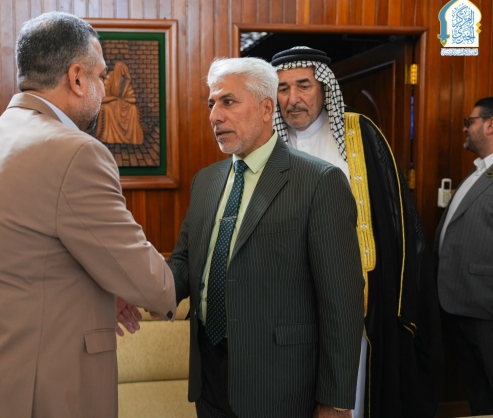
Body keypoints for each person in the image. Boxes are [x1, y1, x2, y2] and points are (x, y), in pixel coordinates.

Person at [0, 12, 176, 418]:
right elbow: (151, 282)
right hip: (43, 394)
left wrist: (104, 291)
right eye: (100, 76)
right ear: (76, 78)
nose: (103, 90)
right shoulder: (75, 153)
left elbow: (27, 263)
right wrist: (167, 290)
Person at [167, 57, 365, 417]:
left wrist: (335, 401)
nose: (214, 116)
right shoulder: (206, 181)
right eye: (211, 104)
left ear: (265, 108)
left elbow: (342, 303)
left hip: (280, 384)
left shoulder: (319, 182)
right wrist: (141, 289)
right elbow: (183, 261)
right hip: (209, 376)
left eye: (228, 102)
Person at [271, 46, 443, 418]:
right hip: (286, 300)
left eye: (303, 85)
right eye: (283, 88)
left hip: (354, 300)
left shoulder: (359, 134)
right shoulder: (268, 143)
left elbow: (393, 215)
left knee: (349, 394)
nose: (293, 98)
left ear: (324, 88)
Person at [435, 97, 493, 416]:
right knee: (478, 392)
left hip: (485, 307)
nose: (465, 128)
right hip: (460, 303)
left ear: (490, 125)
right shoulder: (478, 172)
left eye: (470, 122)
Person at [95, 60, 144, 144]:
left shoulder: (126, 82)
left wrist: (122, 100)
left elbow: (133, 99)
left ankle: (132, 138)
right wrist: (115, 98)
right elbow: (103, 98)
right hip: (112, 105)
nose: (123, 75)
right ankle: (111, 137)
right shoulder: (109, 78)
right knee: (107, 108)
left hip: (123, 105)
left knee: (133, 109)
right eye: (121, 72)